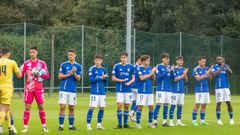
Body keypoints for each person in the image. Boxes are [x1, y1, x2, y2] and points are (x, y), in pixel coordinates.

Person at [20, 46, 50, 132]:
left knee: (41, 107)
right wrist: (19, 69)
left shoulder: (42, 63)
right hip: (29, 89)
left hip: (39, 89)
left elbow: (47, 75)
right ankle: (25, 127)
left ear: (37, 52)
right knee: (27, 107)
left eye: (33, 52)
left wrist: (39, 73)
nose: (32, 54)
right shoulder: (26, 64)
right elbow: (20, 74)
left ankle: (44, 126)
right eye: (30, 52)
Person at [57, 49, 82, 131]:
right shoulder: (64, 65)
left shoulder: (78, 66)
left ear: (75, 55)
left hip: (72, 90)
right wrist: (69, 73)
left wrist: (74, 73)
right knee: (62, 106)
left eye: (72, 55)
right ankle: (61, 126)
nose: (70, 56)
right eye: (69, 55)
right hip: (63, 89)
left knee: (71, 108)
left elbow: (78, 78)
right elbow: (60, 76)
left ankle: (71, 126)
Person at [0, 48, 21, 135]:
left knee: (7, 109)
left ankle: (10, 129)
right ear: (8, 54)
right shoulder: (12, 62)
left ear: (1, 54)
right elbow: (19, 75)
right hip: (7, 87)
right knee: (4, 109)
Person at [112, 52, 135, 129]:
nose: (123, 59)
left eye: (124, 57)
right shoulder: (116, 66)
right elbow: (113, 78)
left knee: (127, 106)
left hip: (128, 90)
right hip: (120, 90)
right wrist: (121, 80)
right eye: (121, 57)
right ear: (120, 58)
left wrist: (129, 82)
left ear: (127, 58)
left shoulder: (131, 67)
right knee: (119, 105)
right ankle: (119, 124)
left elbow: (133, 78)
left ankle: (125, 124)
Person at [86, 54, 107, 130]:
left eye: (99, 60)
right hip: (94, 92)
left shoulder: (104, 69)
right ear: (94, 61)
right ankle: (88, 125)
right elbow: (91, 80)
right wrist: (101, 77)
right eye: (96, 60)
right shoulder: (92, 69)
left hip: (102, 92)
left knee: (102, 108)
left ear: (101, 61)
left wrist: (104, 78)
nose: (97, 62)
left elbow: (106, 81)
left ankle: (99, 124)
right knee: (92, 108)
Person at [135, 55, 156, 129]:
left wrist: (153, 73)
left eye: (149, 60)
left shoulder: (150, 68)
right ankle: (137, 124)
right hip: (142, 91)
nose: (148, 61)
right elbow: (141, 78)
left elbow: (153, 79)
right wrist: (151, 73)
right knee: (140, 107)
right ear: (143, 61)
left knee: (151, 107)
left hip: (149, 91)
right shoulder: (139, 68)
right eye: (147, 60)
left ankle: (150, 123)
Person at [153, 52, 174, 127]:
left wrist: (171, 71)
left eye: (168, 59)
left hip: (168, 90)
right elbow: (158, 77)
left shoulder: (170, 67)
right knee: (158, 105)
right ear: (162, 59)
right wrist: (166, 71)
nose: (167, 60)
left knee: (166, 106)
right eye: (166, 59)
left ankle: (164, 122)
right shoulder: (159, 66)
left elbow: (173, 78)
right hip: (161, 90)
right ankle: (154, 122)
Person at [212, 56, 234, 125]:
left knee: (228, 102)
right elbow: (214, 74)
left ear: (223, 60)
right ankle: (218, 120)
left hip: (226, 87)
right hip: (218, 87)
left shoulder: (226, 66)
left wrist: (225, 67)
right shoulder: (214, 66)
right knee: (219, 103)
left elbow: (231, 73)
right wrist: (221, 68)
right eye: (217, 59)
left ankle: (231, 119)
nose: (218, 60)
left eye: (220, 59)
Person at [192, 56, 212, 126]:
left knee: (204, 105)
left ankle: (202, 120)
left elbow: (210, 78)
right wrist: (207, 73)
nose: (204, 63)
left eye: (204, 61)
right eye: (203, 61)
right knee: (197, 105)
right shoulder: (195, 69)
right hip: (199, 90)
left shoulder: (206, 69)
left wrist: (209, 73)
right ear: (199, 61)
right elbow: (198, 78)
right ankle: (194, 121)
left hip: (206, 90)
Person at [169, 56, 188, 126]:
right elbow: (175, 79)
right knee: (173, 106)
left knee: (180, 106)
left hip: (181, 91)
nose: (181, 62)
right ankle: (171, 121)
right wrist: (183, 75)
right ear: (176, 61)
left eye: (182, 60)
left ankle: (178, 121)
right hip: (174, 91)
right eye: (179, 60)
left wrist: (185, 74)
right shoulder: (174, 69)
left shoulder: (183, 69)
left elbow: (186, 80)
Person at [129, 55, 141, 122]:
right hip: (137, 87)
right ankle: (132, 112)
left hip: (132, 86)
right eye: (141, 61)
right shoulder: (139, 67)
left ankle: (132, 117)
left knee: (134, 102)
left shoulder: (132, 66)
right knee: (139, 102)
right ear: (138, 60)